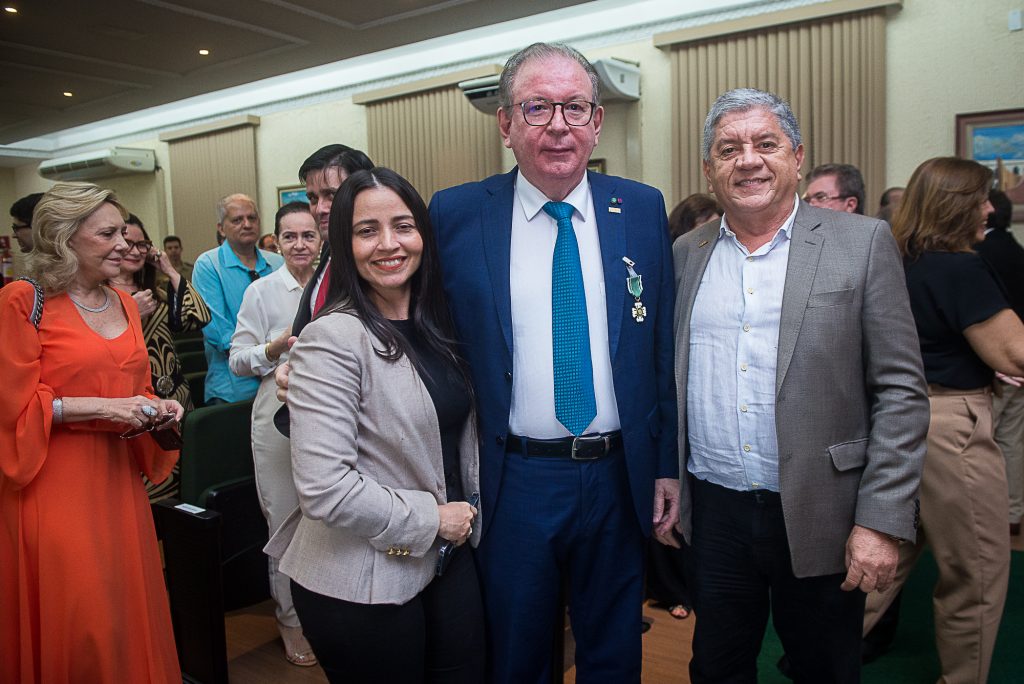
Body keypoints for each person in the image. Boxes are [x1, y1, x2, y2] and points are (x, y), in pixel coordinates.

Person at [428, 42, 678, 683]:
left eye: (574, 107)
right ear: (506, 125)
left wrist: (666, 468)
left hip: (619, 474)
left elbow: (660, 351)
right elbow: (423, 330)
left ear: (598, 122)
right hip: (515, 480)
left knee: (615, 647)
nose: (558, 125)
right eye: (537, 107)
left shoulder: (642, 208)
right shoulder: (456, 214)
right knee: (517, 650)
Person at [672, 88, 929, 683]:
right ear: (709, 169)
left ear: (796, 156)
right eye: (728, 148)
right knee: (715, 666)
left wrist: (881, 520)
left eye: (767, 144)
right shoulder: (688, 252)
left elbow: (901, 392)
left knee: (824, 669)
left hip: (824, 510)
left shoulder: (861, 243)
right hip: (716, 511)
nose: (749, 160)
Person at [264, 168, 484, 684]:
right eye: (367, 231)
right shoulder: (332, 338)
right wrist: (434, 519)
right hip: (358, 577)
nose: (389, 244)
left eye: (403, 226)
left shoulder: (442, 325)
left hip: (448, 557)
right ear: (344, 243)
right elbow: (325, 490)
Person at [0, 182, 184, 683]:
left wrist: (156, 407)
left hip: (118, 484)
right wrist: (103, 407)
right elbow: (11, 408)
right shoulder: (23, 301)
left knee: (122, 611)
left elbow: (135, 387)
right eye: (107, 234)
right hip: (54, 485)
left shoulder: (124, 304)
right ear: (63, 238)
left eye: (123, 232)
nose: (125, 244)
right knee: (81, 618)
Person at [863, 158, 1024, 684]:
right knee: (976, 572)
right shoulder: (960, 267)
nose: (988, 208)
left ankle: (817, 651)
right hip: (950, 427)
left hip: (896, 419)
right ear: (958, 206)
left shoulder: (896, 259)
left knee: (889, 556)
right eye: (980, 198)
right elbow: (1015, 354)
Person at [228, 202, 321, 667]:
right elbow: (237, 359)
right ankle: (289, 620)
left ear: (320, 239)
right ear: (276, 242)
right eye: (290, 237)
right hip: (276, 412)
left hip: (329, 412)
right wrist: (274, 345)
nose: (300, 244)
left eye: (308, 235)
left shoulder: (336, 285)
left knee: (328, 519)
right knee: (284, 520)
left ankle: (326, 615)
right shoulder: (262, 292)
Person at [109, 214, 211, 501]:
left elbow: (200, 316)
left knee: (183, 481)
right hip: (137, 403)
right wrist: (131, 312)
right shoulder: (99, 298)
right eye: (128, 243)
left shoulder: (155, 294)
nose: (135, 250)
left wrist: (167, 267)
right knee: (146, 487)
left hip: (176, 399)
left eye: (142, 245)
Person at [193, 193, 283, 404]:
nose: (247, 224)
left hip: (279, 378)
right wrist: (265, 355)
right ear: (221, 228)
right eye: (237, 220)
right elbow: (219, 332)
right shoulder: (208, 264)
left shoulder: (278, 262)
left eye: (252, 218)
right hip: (232, 387)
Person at [976, 189, 1024, 535]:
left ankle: (988, 521)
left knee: (985, 448)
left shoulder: (977, 256)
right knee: (1012, 441)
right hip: (1016, 366)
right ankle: (1011, 514)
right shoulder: (1017, 250)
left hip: (994, 368)